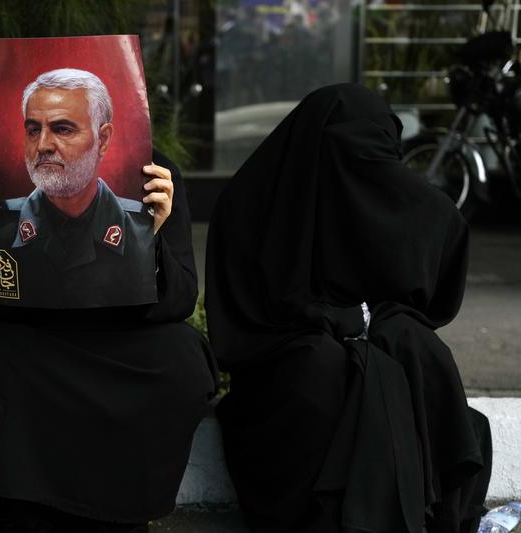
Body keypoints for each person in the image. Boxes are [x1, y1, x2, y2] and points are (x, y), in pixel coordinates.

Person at [205, 83, 492, 533]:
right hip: (278, 363)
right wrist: (338, 322)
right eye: (361, 151)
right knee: (321, 371)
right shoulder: (251, 207)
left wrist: (363, 323)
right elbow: (248, 324)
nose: (371, 169)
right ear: (316, 146)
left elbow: (436, 236)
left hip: (353, 344)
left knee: (414, 343)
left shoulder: (370, 201)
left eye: (381, 154)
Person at [0, 144, 217, 532]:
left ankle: (116, 512)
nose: (50, 142)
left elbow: (179, 302)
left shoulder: (154, 172)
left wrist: (146, 236)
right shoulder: (3, 175)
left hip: (121, 345)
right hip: (36, 344)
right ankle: (17, 508)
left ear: (105, 130)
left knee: (183, 356)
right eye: (38, 126)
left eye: (67, 125)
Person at [0, 68, 155, 308]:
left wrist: (155, 237)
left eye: (63, 129)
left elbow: (175, 305)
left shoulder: (142, 224)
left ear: (102, 140)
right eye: (33, 130)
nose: (42, 145)